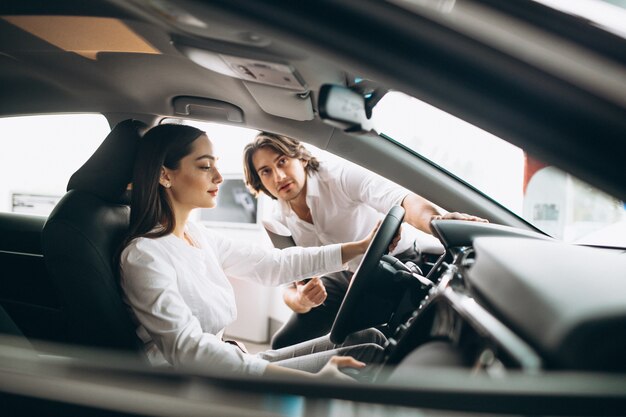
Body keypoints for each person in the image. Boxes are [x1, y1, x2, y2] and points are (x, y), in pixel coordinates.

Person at [119, 124, 393, 381]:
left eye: (215, 165)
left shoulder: (197, 235)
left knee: (369, 338)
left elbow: (272, 264)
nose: (218, 177)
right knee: (367, 355)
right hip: (195, 384)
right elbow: (188, 350)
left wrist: (357, 248)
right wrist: (310, 381)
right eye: (205, 166)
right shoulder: (145, 255)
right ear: (165, 175)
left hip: (226, 361)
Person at [243, 132, 488, 349]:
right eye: (266, 171)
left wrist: (437, 221)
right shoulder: (277, 219)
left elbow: (402, 200)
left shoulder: (338, 176)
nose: (278, 176)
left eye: (282, 162)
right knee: (282, 343)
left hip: (395, 262)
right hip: (343, 274)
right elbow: (290, 288)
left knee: (354, 340)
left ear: (302, 158)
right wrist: (302, 300)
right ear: (259, 180)